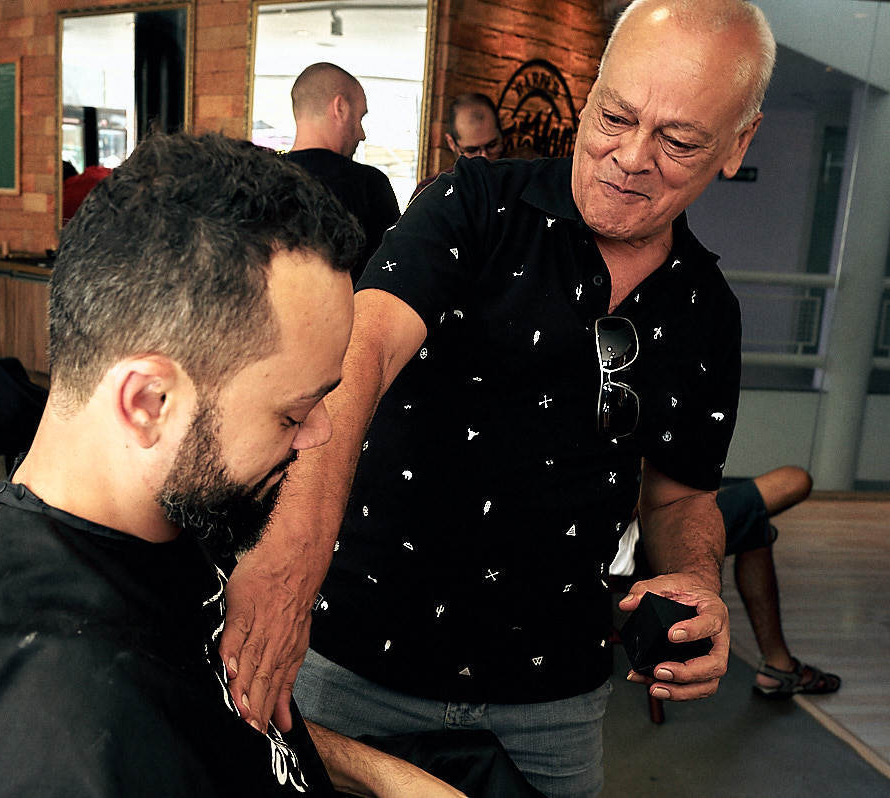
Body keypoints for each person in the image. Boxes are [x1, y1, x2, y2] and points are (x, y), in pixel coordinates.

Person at [217, 1, 776, 796]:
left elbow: (680, 497)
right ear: (590, 95)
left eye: (679, 140)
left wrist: (692, 579)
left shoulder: (707, 309)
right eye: (615, 116)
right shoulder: (474, 206)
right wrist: (291, 555)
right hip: (356, 667)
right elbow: (362, 352)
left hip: (555, 699)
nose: (629, 156)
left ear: (737, 144)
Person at [0, 132, 472, 798]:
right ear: (147, 402)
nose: (318, 437)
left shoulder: (164, 519)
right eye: (291, 413)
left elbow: (212, 718)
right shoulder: (61, 733)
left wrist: (382, 776)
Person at [611, 465, 841, 697]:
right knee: (793, 482)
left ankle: (779, 667)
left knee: (756, 523)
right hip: (630, 543)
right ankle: (779, 666)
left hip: (645, 520)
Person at [285, 62, 401, 285]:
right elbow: (392, 276)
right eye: (360, 118)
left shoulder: (260, 182)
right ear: (340, 108)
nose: (362, 134)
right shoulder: (369, 185)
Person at [410, 93, 504, 201]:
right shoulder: (430, 192)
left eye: (492, 145)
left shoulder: (519, 182)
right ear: (451, 143)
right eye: (471, 150)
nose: (484, 157)